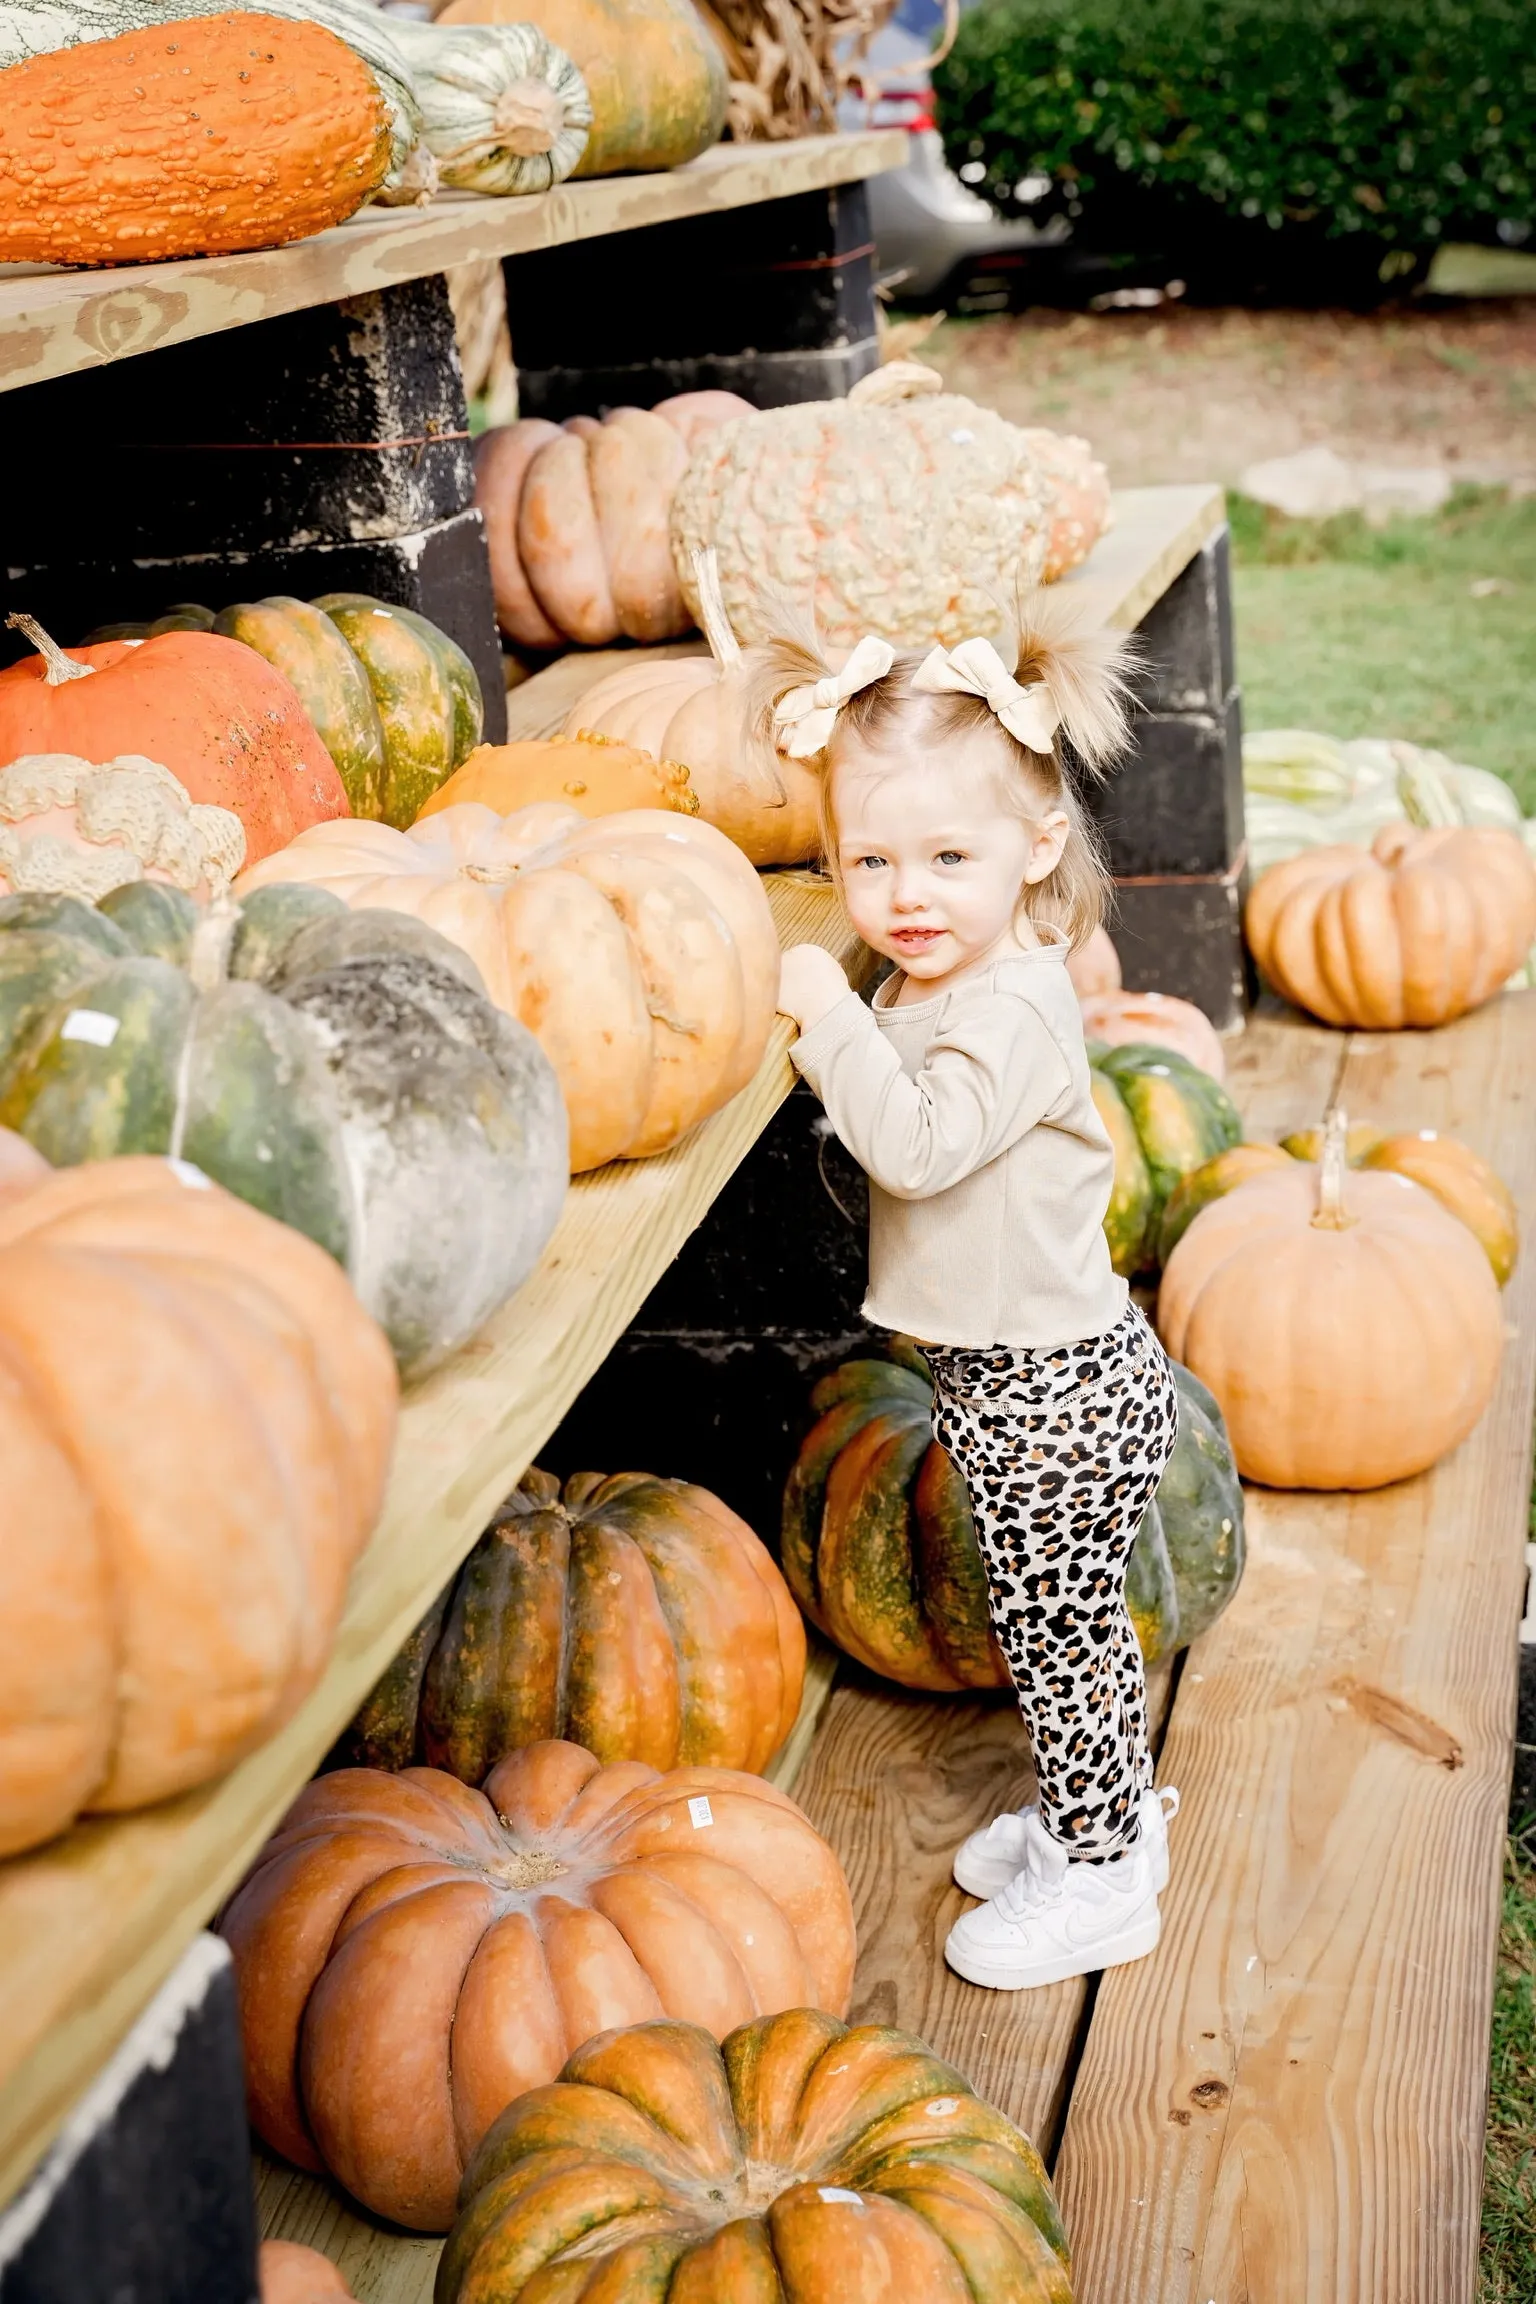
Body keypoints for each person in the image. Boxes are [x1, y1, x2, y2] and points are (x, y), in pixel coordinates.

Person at [767, 593, 1181, 1991]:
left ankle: (1108, 1873)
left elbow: (921, 1143)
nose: (908, 894)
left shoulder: (1009, 1005)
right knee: (1053, 1622)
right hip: (1019, 1380)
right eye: (871, 857)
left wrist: (825, 1015)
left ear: (1038, 851)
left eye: (951, 855)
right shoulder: (947, 978)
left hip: (1057, 1390)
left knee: (1057, 1635)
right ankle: (1099, 1825)